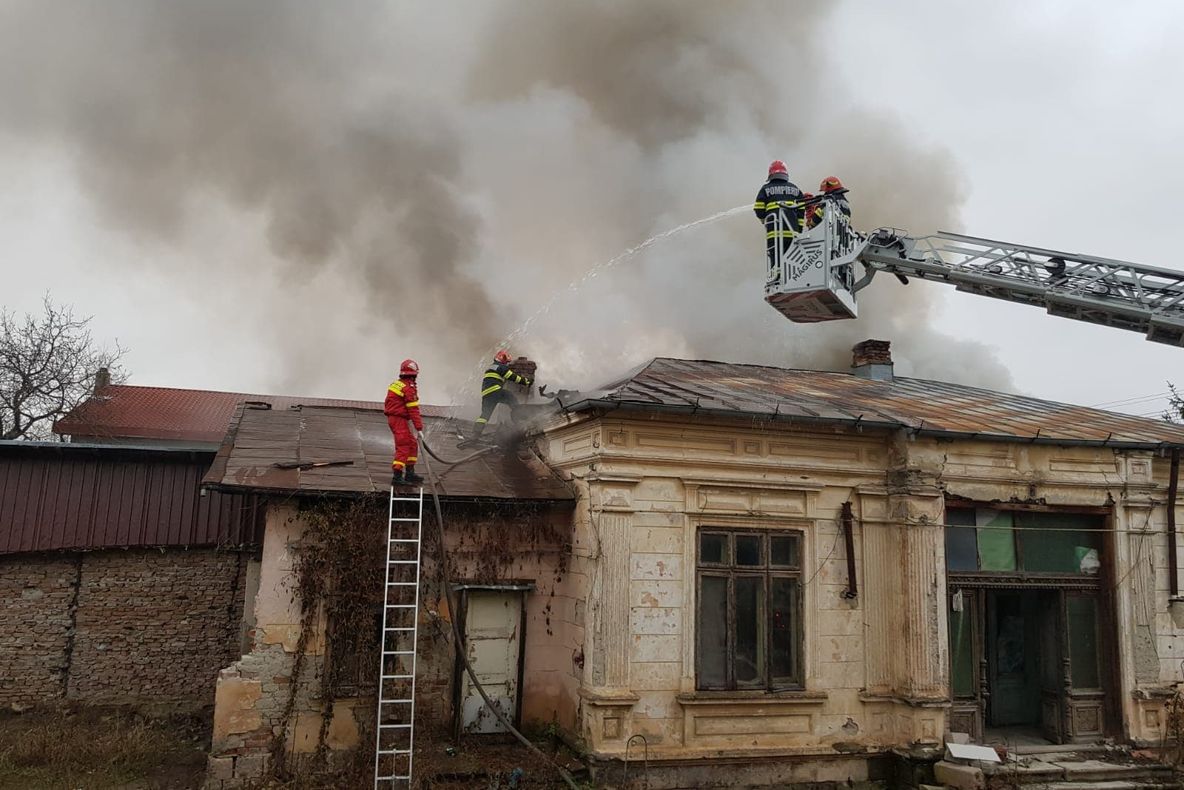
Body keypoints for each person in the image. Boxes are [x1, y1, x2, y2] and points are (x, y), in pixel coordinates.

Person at [470, 349, 532, 442]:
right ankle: (520, 419)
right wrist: (526, 381)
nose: (506, 364)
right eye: (506, 362)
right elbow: (512, 377)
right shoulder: (501, 367)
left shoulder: (491, 367)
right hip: (496, 391)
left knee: (485, 415)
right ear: (502, 360)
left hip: (486, 394)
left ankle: (475, 434)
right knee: (511, 398)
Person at [753, 161, 805, 269]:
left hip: (775, 234)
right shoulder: (795, 189)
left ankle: (777, 280)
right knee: (792, 262)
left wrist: (765, 221)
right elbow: (801, 212)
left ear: (770, 174)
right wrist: (798, 230)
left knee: (776, 264)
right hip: (793, 234)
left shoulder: (765, 189)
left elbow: (758, 209)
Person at [385, 359, 424, 486]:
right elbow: (413, 410)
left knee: (412, 444)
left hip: (397, 418)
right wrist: (419, 428)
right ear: (413, 374)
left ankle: (410, 473)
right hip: (398, 419)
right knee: (403, 446)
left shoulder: (397, 384)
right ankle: (397, 476)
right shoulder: (408, 388)